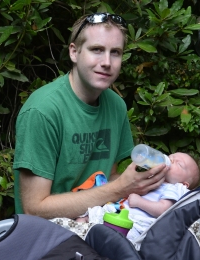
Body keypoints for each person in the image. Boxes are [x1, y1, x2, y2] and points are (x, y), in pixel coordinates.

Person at [13, 13, 169, 219]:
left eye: (115, 52)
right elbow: (34, 209)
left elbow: (107, 178)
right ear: (74, 52)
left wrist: (148, 184)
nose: (107, 62)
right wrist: (120, 188)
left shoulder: (116, 106)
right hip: (49, 233)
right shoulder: (43, 110)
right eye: (97, 50)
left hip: (98, 222)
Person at [75, 151, 200, 244]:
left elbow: (163, 210)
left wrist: (140, 202)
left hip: (136, 224)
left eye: (179, 164)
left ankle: (88, 236)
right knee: (89, 214)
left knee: (118, 237)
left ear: (185, 184)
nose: (171, 161)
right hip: (120, 211)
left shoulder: (175, 188)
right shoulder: (156, 179)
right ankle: (80, 230)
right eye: (171, 157)